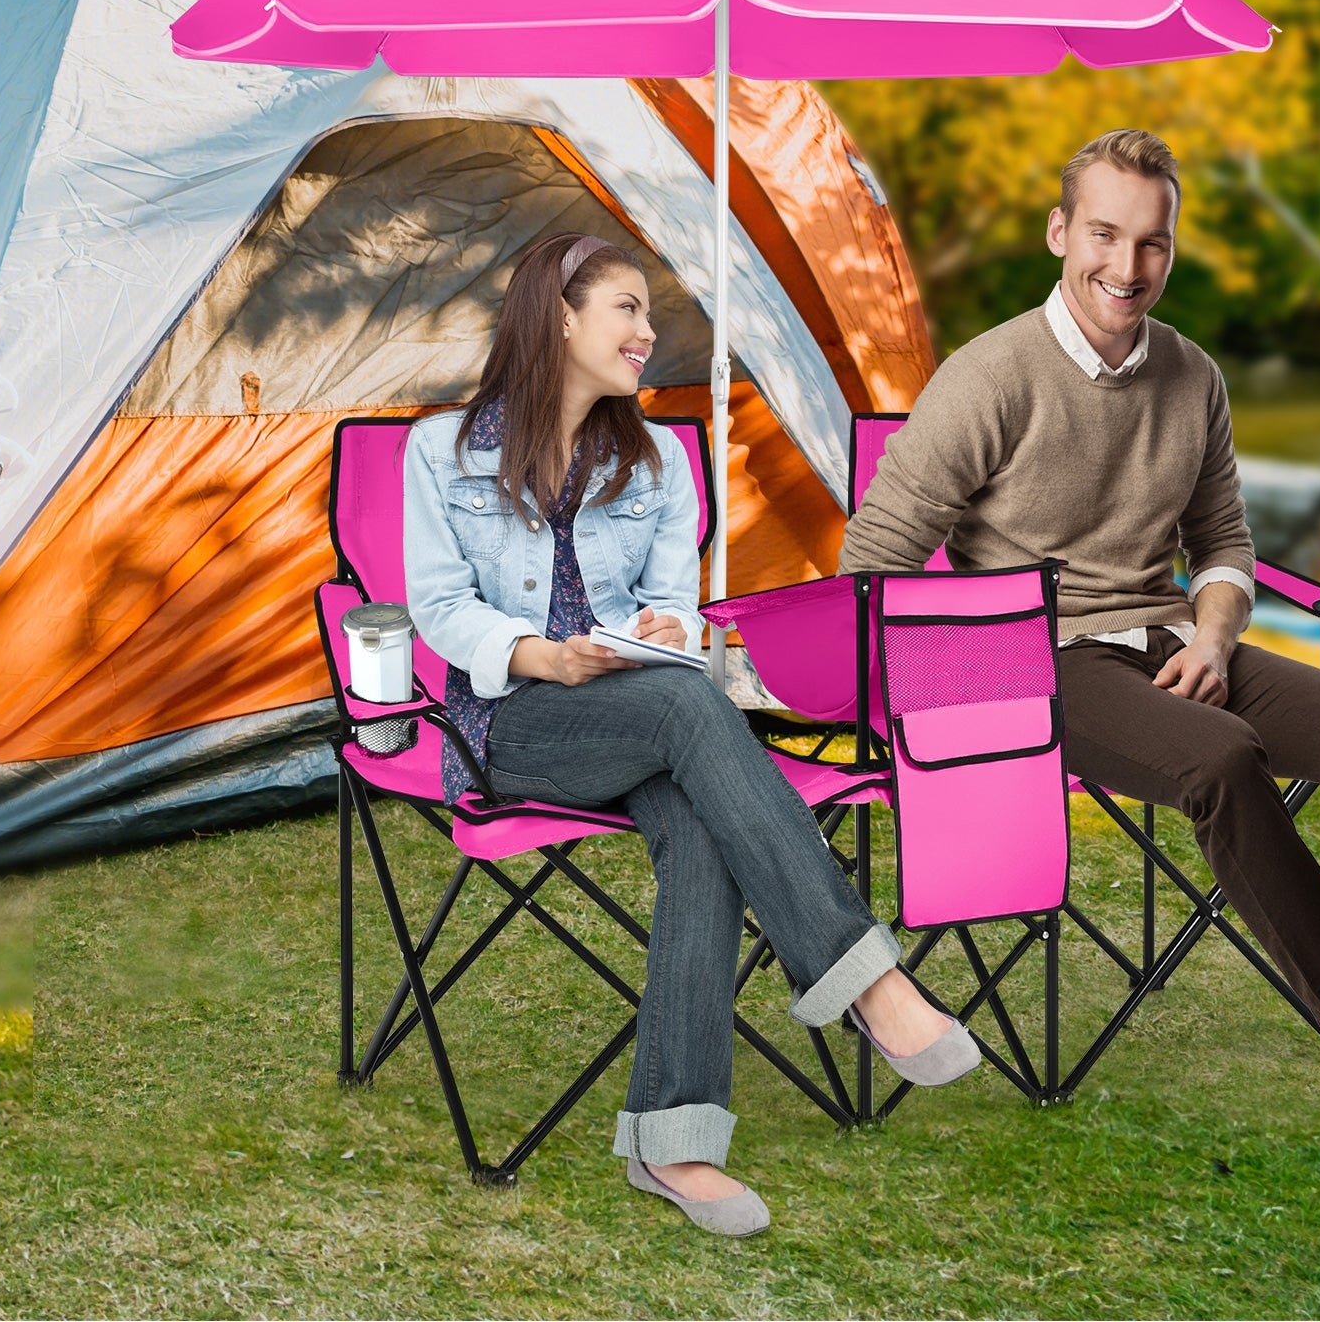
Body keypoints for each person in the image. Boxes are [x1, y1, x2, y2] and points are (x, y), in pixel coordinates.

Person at [839, 129, 1320, 1168]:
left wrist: (1218, 635)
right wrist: (965, 678)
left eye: (1151, 243)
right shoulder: (989, 376)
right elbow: (872, 561)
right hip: (1047, 660)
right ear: (1059, 232)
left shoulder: (1193, 376)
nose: (1125, 267)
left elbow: (1222, 541)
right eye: (1103, 234)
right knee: (1222, 762)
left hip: (1176, 638)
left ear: (1170, 248)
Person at [403, 231, 980, 1236]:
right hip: (514, 721)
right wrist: (544, 654)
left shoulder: (658, 453)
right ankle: (864, 979)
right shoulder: (443, 451)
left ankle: (673, 1144)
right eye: (625, 307)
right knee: (688, 712)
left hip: (641, 713)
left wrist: (660, 630)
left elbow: (669, 601)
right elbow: (441, 609)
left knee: (697, 799)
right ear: (561, 316)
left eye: (646, 311)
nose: (645, 330)